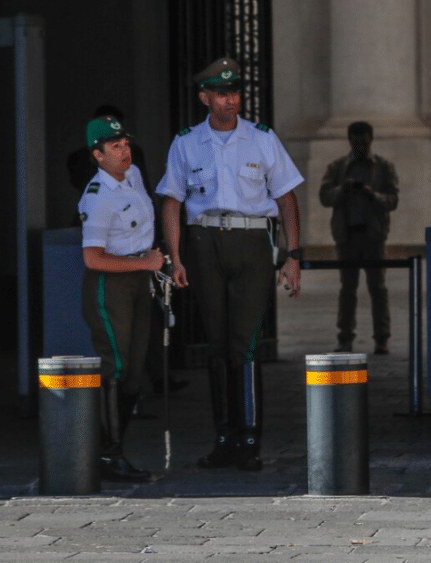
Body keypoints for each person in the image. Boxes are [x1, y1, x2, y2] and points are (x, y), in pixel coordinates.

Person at [156, 57, 304, 471]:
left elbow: (286, 199)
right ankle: (224, 435)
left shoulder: (261, 138)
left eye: (235, 92)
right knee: (217, 345)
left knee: (245, 343)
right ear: (205, 98)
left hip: (253, 240)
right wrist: (176, 257)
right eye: (222, 93)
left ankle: (251, 436)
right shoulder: (186, 142)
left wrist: (292, 256)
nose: (231, 100)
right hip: (204, 242)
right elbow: (172, 201)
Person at [77, 116, 164, 482]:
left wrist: (151, 264)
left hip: (139, 280)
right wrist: (142, 262)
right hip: (109, 284)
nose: (124, 150)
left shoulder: (134, 176)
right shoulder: (97, 198)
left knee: (132, 374)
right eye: (115, 147)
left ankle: (108, 448)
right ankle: (110, 455)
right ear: (98, 155)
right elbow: (92, 257)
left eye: (125, 143)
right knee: (113, 368)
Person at [319, 121, 399, 354]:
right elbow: (324, 197)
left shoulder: (384, 167)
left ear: (371, 141)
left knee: (378, 289)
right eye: (356, 143)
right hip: (347, 236)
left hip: (374, 236)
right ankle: (345, 338)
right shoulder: (337, 168)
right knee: (347, 289)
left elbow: (393, 200)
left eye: (364, 142)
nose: (360, 147)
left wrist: (372, 195)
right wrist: (342, 190)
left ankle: (381, 339)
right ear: (349, 142)